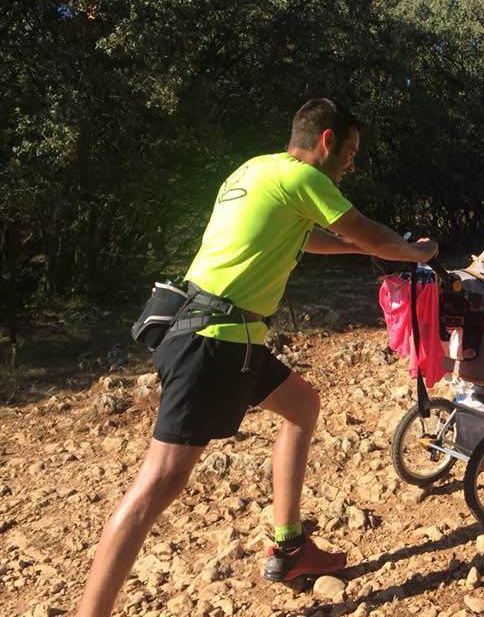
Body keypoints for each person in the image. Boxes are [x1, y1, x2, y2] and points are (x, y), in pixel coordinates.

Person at [77, 98, 438, 616]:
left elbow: (308, 239)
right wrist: (414, 251)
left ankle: (288, 548)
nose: (353, 164)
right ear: (327, 141)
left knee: (302, 405)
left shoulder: (255, 170)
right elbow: (368, 230)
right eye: (352, 152)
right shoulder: (304, 178)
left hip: (221, 333)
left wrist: (369, 249)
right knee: (159, 483)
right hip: (215, 341)